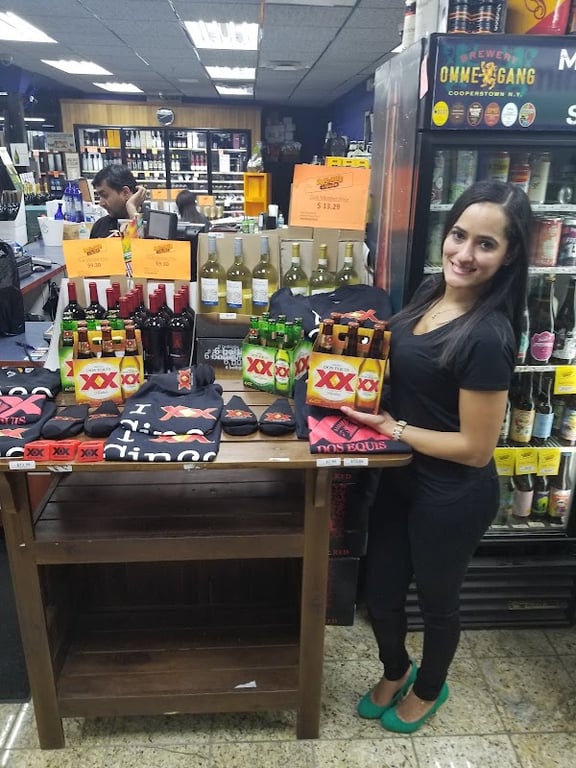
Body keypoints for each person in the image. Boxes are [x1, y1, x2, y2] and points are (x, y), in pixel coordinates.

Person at [342, 180, 532, 733]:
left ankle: (429, 688)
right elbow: (404, 366)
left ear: (509, 255)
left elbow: (475, 449)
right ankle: (396, 669)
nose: (464, 254)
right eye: (458, 235)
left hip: (451, 494)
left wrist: (394, 427)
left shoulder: (488, 336)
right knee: (380, 592)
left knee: (436, 601)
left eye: (485, 244)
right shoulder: (430, 291)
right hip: (399, 478)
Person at [90, 164, 147, 238]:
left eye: (105, 195)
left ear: (125, 192)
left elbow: (141, 243)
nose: (101, 203)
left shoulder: (155, 222)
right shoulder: (100, 226)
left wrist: (132, 209)